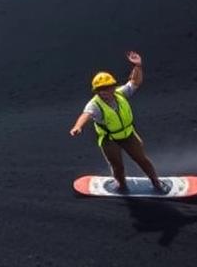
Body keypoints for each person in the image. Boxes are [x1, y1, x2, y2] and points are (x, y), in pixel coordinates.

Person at [68, 51, 165, 193]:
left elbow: (135, 82)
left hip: (128, 134)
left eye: (108, 88)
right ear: (96, 91)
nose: (105, 92)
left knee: (142, 159)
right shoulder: (95, 105)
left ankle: (156, 182)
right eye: (101, 90)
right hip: (110, 139)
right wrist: (78, 127)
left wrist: (138, 66)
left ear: (113, 87)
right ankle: (121, 185)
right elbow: (86, 114)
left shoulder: (120, 93)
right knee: (117, 166)